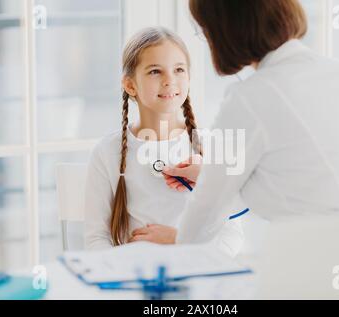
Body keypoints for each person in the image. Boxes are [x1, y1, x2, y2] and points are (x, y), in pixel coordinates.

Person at [158, 0, 339, 244]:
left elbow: (206, 208)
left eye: (205, 31)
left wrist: (177, 241)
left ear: (224, 30)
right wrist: (212, 174)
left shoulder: (250, 97)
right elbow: (308, 180)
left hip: (330, 258)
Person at [83, 27, 244, 257]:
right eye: (155, 71)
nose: (170, 80)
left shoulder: (211, 147)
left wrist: (179, 242)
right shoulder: (107, 153)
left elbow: (231, 237)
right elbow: (96, 239)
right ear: (130, 85)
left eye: (179, 69)